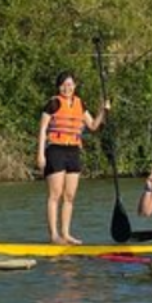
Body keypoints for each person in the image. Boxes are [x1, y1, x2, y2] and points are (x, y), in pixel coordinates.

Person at [36, 70, 108, 244]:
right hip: (56, 150)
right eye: (63, 85)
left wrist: (102, 110)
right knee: (55, 194)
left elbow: (92, 125)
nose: (67, 88)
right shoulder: (53, 103)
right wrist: (40, 154)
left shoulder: (79, 104)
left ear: (75, 86)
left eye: (70, 85)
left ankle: (66, 233)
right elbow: (43, 129)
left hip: (73, 151)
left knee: (69, 195)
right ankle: (54, 235)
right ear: (59, 86)